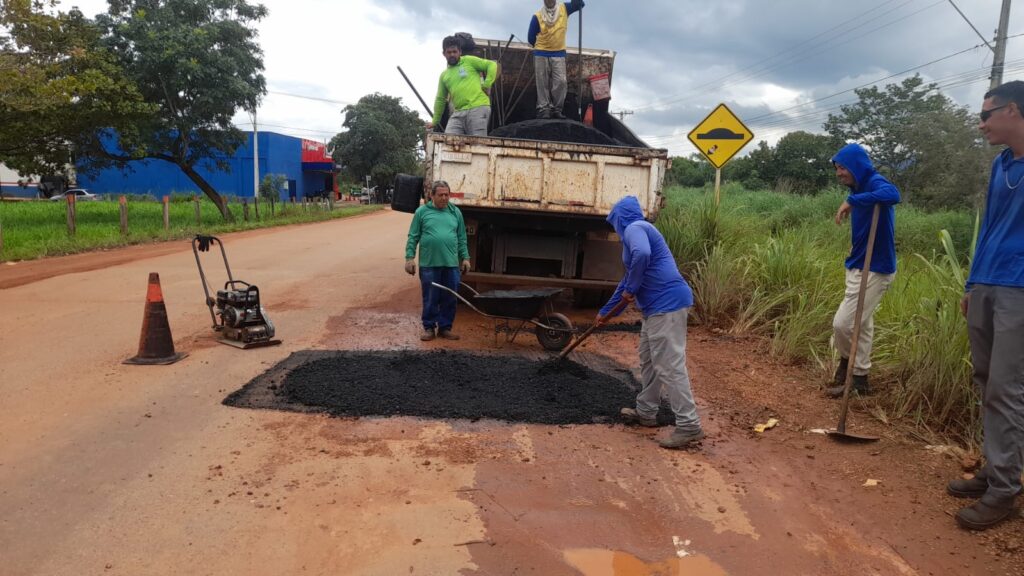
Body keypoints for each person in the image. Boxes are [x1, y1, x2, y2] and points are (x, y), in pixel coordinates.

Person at [946, 80, 1024, 531]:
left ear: (1012, 110)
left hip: (1019, 290)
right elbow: (991, 224)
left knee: (1006, 388)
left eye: (987, 114)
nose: (981, 124)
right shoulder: (1001, 165)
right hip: (988, 283)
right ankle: (998, 470)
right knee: (985, 380)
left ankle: (1004, 491)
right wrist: (972, 283)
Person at [596, 196, 704, 449]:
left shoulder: (636, 228)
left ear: (620, 218)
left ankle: (689, 425)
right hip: (655, 309)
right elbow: (627, 283)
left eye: (615, 222)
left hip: (667, 304)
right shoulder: (638, 234)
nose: (615, 228)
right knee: (649, 361)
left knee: (669, 365)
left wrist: (631, 288)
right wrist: (605, 312)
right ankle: (646, 412)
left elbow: (641, 257)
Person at [825, 143, 901, 399]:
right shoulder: (858, 187)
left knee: (844, 323)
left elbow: (893, 195)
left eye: (843, 167)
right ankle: (859, 379)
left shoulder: (875, 181)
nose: (839, 173)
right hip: (858, 263)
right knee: (862, 325)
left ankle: (848, 366)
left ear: (857, 165)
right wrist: (854, 198)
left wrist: (852, 201)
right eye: (837, 168)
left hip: (876, 268)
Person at [405, 180, 471, 341]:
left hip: (451, 265)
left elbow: (462, 238)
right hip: (429, 265)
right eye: (440, 195)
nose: (444, 198)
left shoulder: (455, 213)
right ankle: (429, 327)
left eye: (447, 195)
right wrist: (409, 258)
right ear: (432, 195)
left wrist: (466, 258)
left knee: (450, 298)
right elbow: (413, 236)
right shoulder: (422, 212)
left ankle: (445, 328)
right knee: (430, 298)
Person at [427, 36, 497, 136]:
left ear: (460, 52)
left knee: (478, 144)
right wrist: (435, 121)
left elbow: (492, 65)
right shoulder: (444, 75)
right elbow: (440, 99)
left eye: (454, 52)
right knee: (448, 141)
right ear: (444, 54)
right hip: (458, 113)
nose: (452, 55)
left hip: (478, 107)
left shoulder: (469, 61)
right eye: (449, 52)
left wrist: (487, 83)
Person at [527, 0, 585, 119]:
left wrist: (578, 1)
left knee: (561, 82)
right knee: (542, 82)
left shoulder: (564, 8)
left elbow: (580, 5)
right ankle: (544, 109)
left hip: (558, 53)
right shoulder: (537, 16)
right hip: (541, 52)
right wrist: (539, 48)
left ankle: (556, 109)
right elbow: (531, 38)